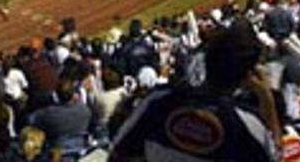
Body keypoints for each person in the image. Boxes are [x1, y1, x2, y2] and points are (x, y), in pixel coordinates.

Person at [110, 20, 281, 161]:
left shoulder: (159, 101)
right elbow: (275, 154)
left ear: (207, 59)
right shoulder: (248, 126)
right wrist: (266, 97)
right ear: (247, 76)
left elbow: (118, 154)